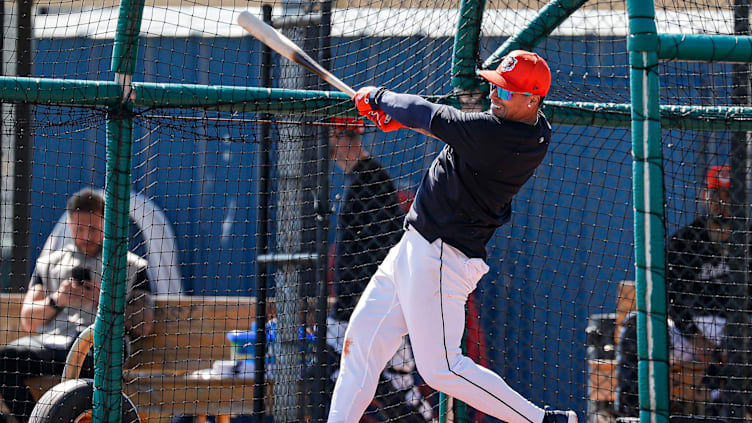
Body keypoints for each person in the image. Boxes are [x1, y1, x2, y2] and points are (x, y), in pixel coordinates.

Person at [327, 50, 576, 423]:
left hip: (441, 258)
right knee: (360, 348)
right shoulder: (527, 128)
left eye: (506, 92)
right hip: (415, 247)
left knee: (442, 368)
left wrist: (378, 98)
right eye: (496, 87)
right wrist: (398, 119)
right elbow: (448, 130)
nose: (495, 96)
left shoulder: (501, 136)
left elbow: (432, 115)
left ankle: (542, 421)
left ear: (532, 99)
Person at [0, 188, 154, 423]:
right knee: (6, 359)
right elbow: (29, 320)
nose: (85, 235)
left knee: (96, 364)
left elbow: (143, 326)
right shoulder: (50, 263)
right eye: (79, 228)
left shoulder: (131, 266)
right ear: (70, 225)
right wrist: (57, 300)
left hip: (100, 346)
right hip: (53, 344)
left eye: (93, 229)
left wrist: (104, 302)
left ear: (106, 225)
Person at [317, 117, 432, 422]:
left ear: (341, 136)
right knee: (350, 376)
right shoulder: (363, 179)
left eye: (329, 135)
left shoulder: (371, 181)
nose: (326, 144)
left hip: (375, 309)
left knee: (398, 392)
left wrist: (357, 304)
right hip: (365, 309)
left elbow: (378, 252)